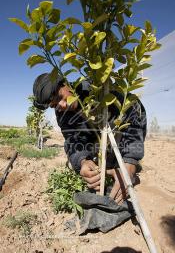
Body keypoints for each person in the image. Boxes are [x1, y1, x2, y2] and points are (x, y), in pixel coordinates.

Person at [33, 73, 147, 204]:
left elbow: (135, 120)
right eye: (54, 105)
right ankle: (108, 169)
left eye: (60, 97)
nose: (61, 105)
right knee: (73, 163)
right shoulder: (61, 113)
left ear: (65, 84)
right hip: (96, 143)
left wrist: (130, 162)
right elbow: (72, 140)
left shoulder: (99, 89)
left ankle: (122, 166)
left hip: (117, 137)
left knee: (124, 159)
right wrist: (82, 161)